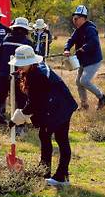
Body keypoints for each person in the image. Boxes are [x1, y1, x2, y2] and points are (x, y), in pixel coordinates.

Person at [9, 45, 78, 187]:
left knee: (55, 137)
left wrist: (18, 117)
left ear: (30, 62)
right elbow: (36, 99)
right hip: (58, 104)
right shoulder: (34, 70)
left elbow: (34, 103)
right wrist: (21, 74)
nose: (19, 67)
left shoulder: (37, 76)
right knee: (47, 136)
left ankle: (58, 176)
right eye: (18, 65)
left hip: (60, 107)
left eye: (22, 65)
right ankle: (45, 172)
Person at [0, 17, 33, 125]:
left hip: (3, 75)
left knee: (0, 98)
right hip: (19, 76)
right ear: (25, 29)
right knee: (21, 99)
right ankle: (21, 123)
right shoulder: (27, 43)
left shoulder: (5, 40)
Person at [63, 5, 105, 110]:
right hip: (83, 60)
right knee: (78, 82)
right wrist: (66, 49)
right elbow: (70, 40)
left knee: (84, 81)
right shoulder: (77, 30)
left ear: (83, 18)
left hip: (93, 61)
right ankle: (84, 105)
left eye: (76, 18)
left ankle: (102, 97)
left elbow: (94, 42)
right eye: (74, 18)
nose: (74, 20)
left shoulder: (90, 29)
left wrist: (84, 48)